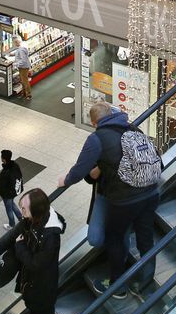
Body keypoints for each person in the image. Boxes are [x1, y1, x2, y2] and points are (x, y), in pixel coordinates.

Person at [59, 101, 163, 297]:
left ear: (95, 122)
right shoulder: (134, 128)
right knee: (145, 238)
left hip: (125, 200)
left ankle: (118, 286)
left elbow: (81, 171)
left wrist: (65, 180)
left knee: (114, 238)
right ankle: (145, 284)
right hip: (151, 192)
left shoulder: (97, 138)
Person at [0, 188, 65, 314]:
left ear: (36, 210)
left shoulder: (51, 236)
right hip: (31, 283)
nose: (21, 212)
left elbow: (36, 264)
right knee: (34, 313)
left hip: (44, 287)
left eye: (24, 208)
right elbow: (15, 232)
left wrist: (20, 246)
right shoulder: (32, 219)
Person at [0, 150, 24, 228]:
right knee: (12, 204)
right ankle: (21, 218)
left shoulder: (5, 172)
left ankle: (11, 224)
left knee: (9, 209)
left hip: (7, 194)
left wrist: (1, 193)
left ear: (3, 159)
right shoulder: (15, 165)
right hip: (14, 192)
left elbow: (2, 186)